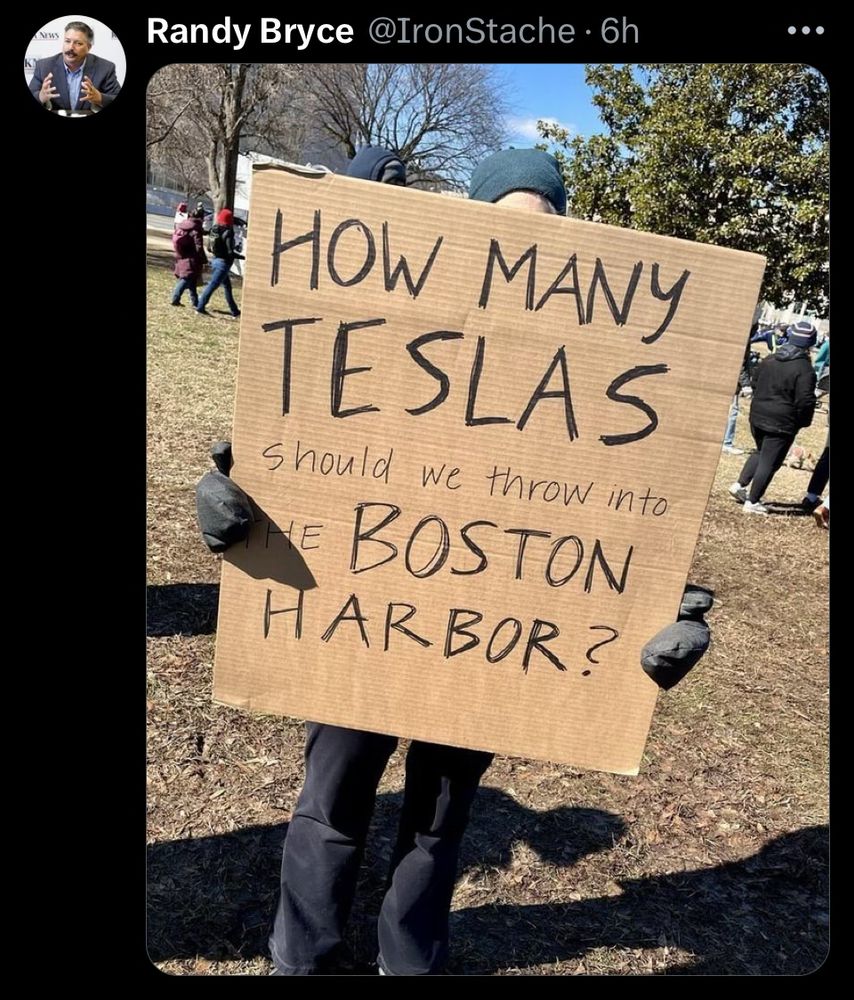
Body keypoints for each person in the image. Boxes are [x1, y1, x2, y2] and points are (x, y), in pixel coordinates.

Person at [195, 148, 713, 976]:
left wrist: (649, 614)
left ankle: (412, 963)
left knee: (438, 818)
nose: (520, 262)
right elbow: (313, 449)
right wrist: (238, 504)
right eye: (499, 236)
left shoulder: (587, 369)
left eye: (543, 232)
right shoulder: (378, 335)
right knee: (330, 803)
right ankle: (307, 961)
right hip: (357, 609)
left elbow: (619, 513)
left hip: (492, 631)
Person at [729, 321, 817, 514]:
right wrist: (803, 421)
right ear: (810, 343)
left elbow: (755, 381)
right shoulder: (805, 370)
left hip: (758, 415)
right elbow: (805, 401)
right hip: (781, 422)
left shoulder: (769, 359)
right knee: (771, 462)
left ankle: (739, 486)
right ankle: (752, 501)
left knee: (760, 452)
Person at [28, 21, 120, 113]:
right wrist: (40, 97)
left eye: (78, 43)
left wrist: (100, 98)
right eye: (67, 41)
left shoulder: (105, 68)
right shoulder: (44, 66)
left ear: (88, 47)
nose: (71, 47)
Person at [195, 208, 243, 318]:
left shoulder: (214, 229)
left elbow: (209, 248)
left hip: (215, 260)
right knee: (212, 285)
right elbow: (230, 252)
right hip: (223, 264)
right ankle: (200, 307)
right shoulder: (228, 232)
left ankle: (235, 311)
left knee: (227, 287)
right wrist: (242, 257)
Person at [171, 206, 207, 308]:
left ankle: (195, 302)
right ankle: (175, 299)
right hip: (192, 257)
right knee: (186, 278)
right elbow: (198, 246)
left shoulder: (183, 225)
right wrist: (203, 259)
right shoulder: (196, 228)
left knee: (192, 278)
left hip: (182, 255)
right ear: (200, 218)